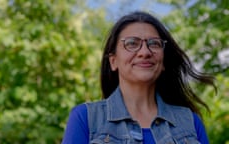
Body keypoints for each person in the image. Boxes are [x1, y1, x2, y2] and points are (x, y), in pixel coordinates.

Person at [62, 11, 216, 144]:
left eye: (154, 44)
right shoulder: (85, 119)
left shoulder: (190, 122)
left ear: (163, 63)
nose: (145, 52)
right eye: (132, 43)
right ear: (113, 61)